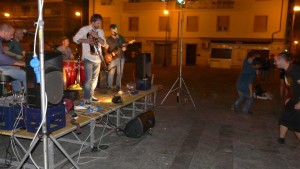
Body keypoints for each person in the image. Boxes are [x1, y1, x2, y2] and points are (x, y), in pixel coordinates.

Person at [73, 14, 106, 104]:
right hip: (88, 58)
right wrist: (85, 40)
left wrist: (97, 36)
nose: (99, 25)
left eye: (100, 23)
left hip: (98, 58)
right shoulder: (84, 29)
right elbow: (75, 39)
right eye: (97, 23)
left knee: (95, 79)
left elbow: (103, 43)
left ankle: (91, 95)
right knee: (88, 79)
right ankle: (86, 98)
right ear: (92, 22)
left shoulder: (100, 31)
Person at [274, 52, 300, 144]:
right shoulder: (287, 70)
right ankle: (281, 139)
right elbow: (292, 86)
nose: (274, 62)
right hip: (295, 98)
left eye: (276, 60)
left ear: (282, 60)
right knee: (285, 118)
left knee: (297, 124)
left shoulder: (294, 70)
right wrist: (289, 97)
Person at [0, 24, 26, 94]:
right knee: (24, 74)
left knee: (15, 71)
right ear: (5, 32)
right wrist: (17, 63)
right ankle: (28, 97)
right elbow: (1, 57)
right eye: (11, 34)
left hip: (2, 66)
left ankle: (17, 95)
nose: (12, 36)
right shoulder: (12, 42)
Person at [105, 24, 127, 90]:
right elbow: (105, 49)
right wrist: (108, 54)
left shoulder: (121, 38)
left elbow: (124, 46)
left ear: (117, 30)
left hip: (121, 57)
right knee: (111, 72)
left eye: (115, 30)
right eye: (112, 30)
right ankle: (109, 86)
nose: (113, 32)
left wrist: (124, 48)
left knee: (119, 73)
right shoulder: (108, 39)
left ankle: (118, 86)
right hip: (112, 58)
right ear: (110, 30)